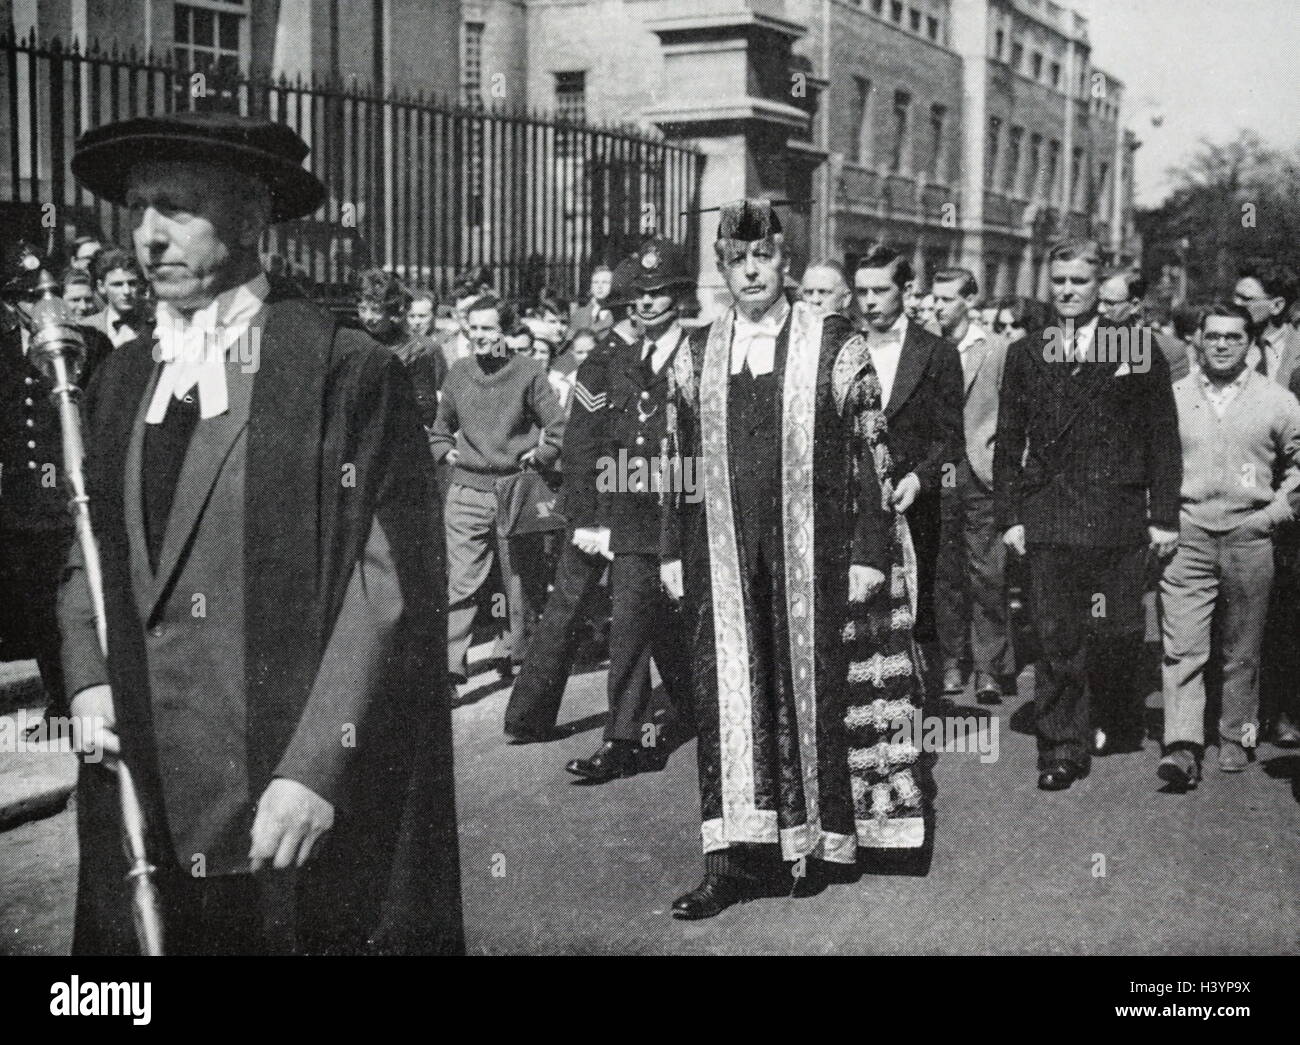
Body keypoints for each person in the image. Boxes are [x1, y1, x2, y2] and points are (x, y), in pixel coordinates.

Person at [62, 110, 462, 955]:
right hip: (146, 792)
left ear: (250, 219)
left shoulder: (342, 371)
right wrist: (87, 672)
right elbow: (88, 541)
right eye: (137, 208)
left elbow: (385, 585)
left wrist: (318, 765)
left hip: (281, 810)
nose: (148, 236)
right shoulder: (123, 377)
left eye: (177, 207)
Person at [662, 199, 916, 919]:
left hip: (812, 551)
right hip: (720, 552)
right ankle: (732, 861)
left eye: (764, 259)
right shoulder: (697, 350)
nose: (751, 272)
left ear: (785, 264)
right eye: (737, 261)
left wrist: (869, 550)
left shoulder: (833, 341)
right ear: (722, 268)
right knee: (730, 697)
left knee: (806, 688)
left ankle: (810, 842)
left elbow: (873, 449)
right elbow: (675, 459)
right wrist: (669, 551)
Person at [994, 239, 1182, 791]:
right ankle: (1062, 748)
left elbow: (1162, 438)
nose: (1068, 291)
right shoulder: (1027, 352)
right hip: (1050, 513)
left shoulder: (1136, 347)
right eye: (1059, 282)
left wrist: (1163, 514)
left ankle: (1114, 716)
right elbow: (1008, 441)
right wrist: (1012, 516)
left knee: (1119, 629)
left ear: (1101, 285)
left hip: (1117, 514)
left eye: (1079, 281)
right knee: (1055, 636)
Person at [556, 239, 698, 782]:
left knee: (689, 624)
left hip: (690, 508)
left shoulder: (701, 355)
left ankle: (704, 711)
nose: (647, 305)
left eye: (659, 294)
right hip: (636, 515)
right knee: (630, 627)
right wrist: (593, 517)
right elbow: (591, 443)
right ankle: (623, 739)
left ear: (678, 298)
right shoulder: (618, 361)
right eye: (638, 296)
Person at [1157, 304, 1300, 788]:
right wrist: (1160, 520)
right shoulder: (1172, 399)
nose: (1221, 345)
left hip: (1250, 536)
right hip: (1188, 535)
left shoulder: (1277, 401)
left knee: (1243, 648)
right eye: (1213, 336)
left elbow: (1299, 467)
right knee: (1183, 646)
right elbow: (1152, 463)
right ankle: (1182, 745)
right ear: (1197, 340)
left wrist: (1274, 513)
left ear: (1250, 343)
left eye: (1233, 338)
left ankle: (1237, 734)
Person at [429, 295, 565, 684]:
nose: (478, 336)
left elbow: (558, 426)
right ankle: (451, 668)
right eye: (472, 328)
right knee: (462, 581)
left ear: (507, 331)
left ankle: (513, 653)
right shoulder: (457, 372)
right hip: (467, 493)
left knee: (518, 580)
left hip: (514, 492)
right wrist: (446, 453)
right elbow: (439, 428)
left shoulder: (529, 373)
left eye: (488, 328)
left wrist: (540, 455)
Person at [1, 242, 111, 714]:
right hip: (22, 506)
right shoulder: (4, 350)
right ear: (11, 302)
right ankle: (56, 697)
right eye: (26, 297)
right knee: (39, 608)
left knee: (77, 604)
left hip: (70, 499)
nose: (38, 306)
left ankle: (83, 692)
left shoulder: (88, 343)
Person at [851, 245, 964, 650]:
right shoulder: (841, 348)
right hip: (853, 508)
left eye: (880, 290)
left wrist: (919, 478)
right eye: (861, 291)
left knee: (916, 614)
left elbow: (951, 437)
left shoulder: (937, 353)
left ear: (907, 289)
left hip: (914, 507)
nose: (869, 301)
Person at [930, 268, 1012, 703]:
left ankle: (989, 669)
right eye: (935, 299)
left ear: (969, 301)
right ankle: (950, 662)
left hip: (982, 473)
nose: (938, 307)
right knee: (945, 572)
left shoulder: (996, 350)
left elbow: (1011, 416)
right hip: (939, 473)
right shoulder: (926, 346)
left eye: (946, 299)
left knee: (988, 573)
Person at [356, 268, 446, 426]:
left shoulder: (415, 351)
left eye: (376, 310)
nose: (368, 317)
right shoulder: (357, 342)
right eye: (362, 309)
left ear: (391, 311)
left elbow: (425, 408)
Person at [1234, 259, 1299, 385]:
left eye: (1246, 299)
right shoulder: (1222, 339)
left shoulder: (1296, 348)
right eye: (1236, 296)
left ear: (1277, 306)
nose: (1236, 303)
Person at [85, 248, 150, 349]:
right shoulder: (87, 328)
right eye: (117, 285)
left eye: (132, 283)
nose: (126, 291)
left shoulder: (155, 323)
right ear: (101, 287)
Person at [568, 263, 615, 339]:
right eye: (595, 282)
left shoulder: (618, 316)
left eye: (605, 282)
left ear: (613, 286)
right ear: (591, 286)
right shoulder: (579, 315)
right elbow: (570, 344)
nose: (599, 286)